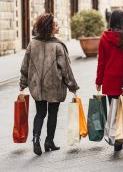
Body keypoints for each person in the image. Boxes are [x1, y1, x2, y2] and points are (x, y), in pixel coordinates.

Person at [20, 13, 79, 156]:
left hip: (37, 86)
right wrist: (72, 86)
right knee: (53, 113)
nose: (58, 26)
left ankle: (35, 138)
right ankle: (49, 141)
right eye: (56, 24)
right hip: (54, 85)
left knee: (40, 113)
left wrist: (23, 84)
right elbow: (66, 69)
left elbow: (25, 65)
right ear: (50, 27)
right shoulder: (58, 46)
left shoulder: (32, 44)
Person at [95, 9, 123, 151]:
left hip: (110, 79)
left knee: (114, 109)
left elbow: (101, 62)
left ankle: (117, 140)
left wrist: (98, 81)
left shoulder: (104, 37)